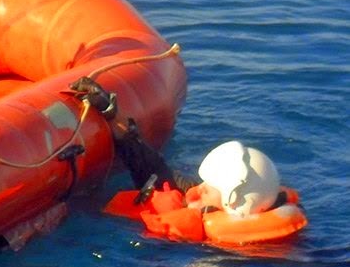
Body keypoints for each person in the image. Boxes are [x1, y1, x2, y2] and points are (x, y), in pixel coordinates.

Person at [70, 76, 305, 243]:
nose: (197, 190)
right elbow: (151, 169)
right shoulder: (208, 202)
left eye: (208, 189)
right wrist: (111, 112)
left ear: (232, 204)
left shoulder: (269, 258)